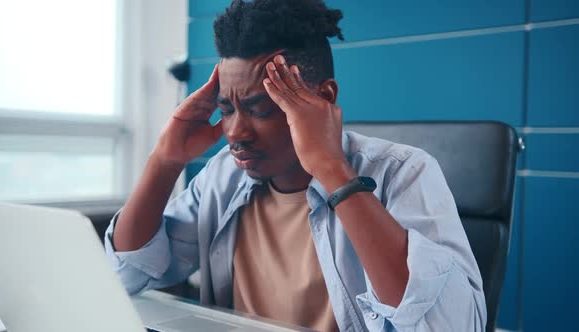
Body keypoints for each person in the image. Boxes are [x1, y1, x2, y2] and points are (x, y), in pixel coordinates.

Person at [105, 0, 487, 330]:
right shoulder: (223, 176)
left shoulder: (403, 173)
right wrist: (165, 160)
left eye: (260, 109)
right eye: (226, 109)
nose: (236, 132)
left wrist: (331, 167)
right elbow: (126, 276)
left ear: (324, 97)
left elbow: (451, 325)